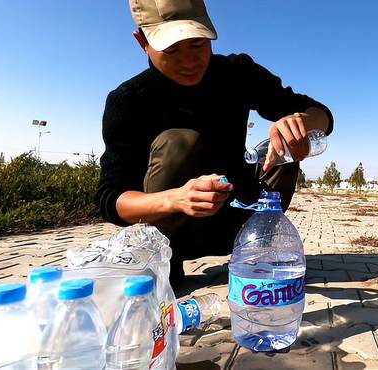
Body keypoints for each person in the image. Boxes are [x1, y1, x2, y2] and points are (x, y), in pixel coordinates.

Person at [95, 0, 333, 290]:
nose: (189, 61)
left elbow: (322, 115)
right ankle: (168, 262)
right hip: (172, 234)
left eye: (197, 44)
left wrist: (299, 123)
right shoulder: (128, 100)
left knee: (282, 145)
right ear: (142, 42)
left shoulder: (237, 72)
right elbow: (111, 198)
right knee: (180, 142)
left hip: (241, 220)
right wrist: (176, 198)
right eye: (171, 50)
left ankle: (259, 249)